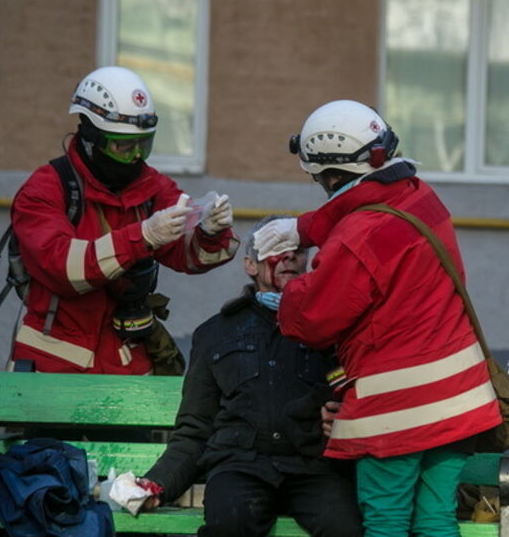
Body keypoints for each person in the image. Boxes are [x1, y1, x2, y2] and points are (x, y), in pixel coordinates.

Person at [253, 100, 502, 536]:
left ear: (329, 175)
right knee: (436, 518)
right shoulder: (419, 195)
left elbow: (312, 319)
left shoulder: (355, 238)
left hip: (397, 410)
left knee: (385, 520)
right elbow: (369, 202)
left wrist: (289, 296)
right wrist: (307, 228)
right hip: (459, 399)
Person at [138, 215, 363, 537]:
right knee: (230, 523)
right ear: (250, 265)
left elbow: (355, 399)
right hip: (240, 466)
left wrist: (347, 415)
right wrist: (157, 484)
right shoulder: (216, 333)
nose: (288, 256)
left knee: (347, 529)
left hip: (314, 467)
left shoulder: (333, 329)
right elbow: (195, 428)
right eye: (274, 249)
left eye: (297, 250)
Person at [9, 66, 237, 375]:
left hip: (128, 365)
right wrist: (142, 236)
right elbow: (64, 268)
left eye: (144, 145)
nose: (136, 158)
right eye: (123, 146)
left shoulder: (151, 187)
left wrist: (210, 232)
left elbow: (190, 257)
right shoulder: (45, 189)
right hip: (53, 369)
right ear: (90, 136)